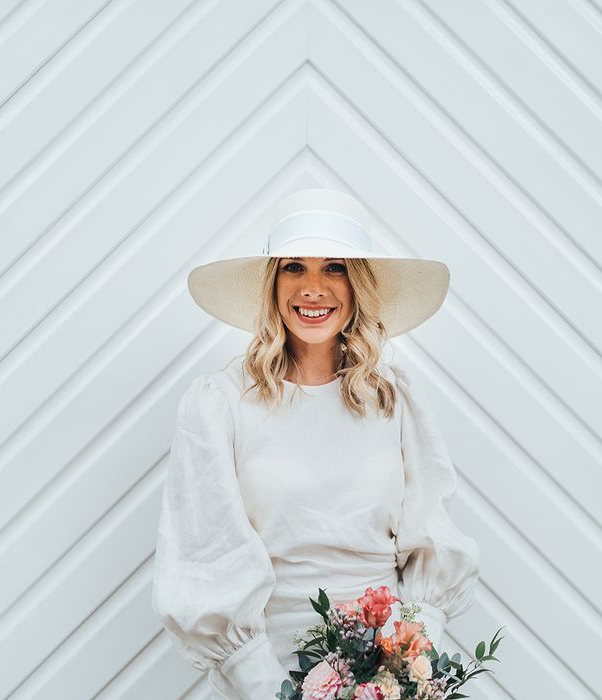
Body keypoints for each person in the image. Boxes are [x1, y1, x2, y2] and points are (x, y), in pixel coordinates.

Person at [150, 188, 481, 699]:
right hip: (267, 675)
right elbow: (205, 553)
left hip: (386, 672)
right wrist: (270, 688)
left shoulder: (393, 398)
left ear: (357, 285)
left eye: (334, 268)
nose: (312, 288)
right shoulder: (221, 403)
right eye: (292, 267)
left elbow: (429, 541)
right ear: (271, 283)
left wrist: (402, 669)